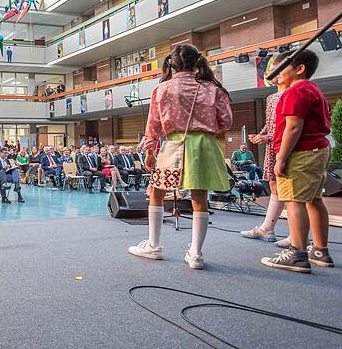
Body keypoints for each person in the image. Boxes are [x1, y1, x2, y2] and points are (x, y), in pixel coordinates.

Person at [129, 44, 232, 270]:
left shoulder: (163, 89)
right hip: (205, 145)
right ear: (197, 63)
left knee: (157, 192)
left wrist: (149, 151)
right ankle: (196, 254)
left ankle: (154, 245)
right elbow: (226, 121)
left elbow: (153, 125)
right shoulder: (213, 88)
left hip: (175, 144)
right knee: (199, 197)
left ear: (172, 64)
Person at [261, 49, 334, 272]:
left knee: (294, 201)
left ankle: (297, 253)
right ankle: (320, 251)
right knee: (313, 199)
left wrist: (280, 158)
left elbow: (293, 127)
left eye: (280, 68)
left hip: (300, 153)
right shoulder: (312, 90)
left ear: (299, 69)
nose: (275, 72)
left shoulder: (295, 91)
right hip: (317, 150)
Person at [241, 63, 287, 244]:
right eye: (270, 69)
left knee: (291, 191)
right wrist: (262, 134)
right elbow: (271, 122)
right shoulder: (271, 98)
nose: (270, 73)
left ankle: (298, 235)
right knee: (274, 186)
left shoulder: (291, 94)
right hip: (273, 147)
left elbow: (290, 126)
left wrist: (268, 137)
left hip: (287, 146)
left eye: (276, 68)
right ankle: (267, 228)